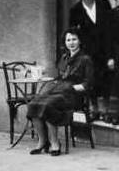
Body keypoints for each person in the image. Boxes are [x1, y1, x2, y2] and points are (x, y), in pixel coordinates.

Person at [26, 28, 95, 156]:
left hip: (73, 95)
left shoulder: (85, 59)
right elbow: (60, 76)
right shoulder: (64, 57)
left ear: (80, 41)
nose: (71, 42)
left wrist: (72, 88)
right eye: (68, 40)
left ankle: (55, 142)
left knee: (48, 105)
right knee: (33, 104)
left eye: (74, 39)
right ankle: (42, 141)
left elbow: (88, 84)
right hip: (58, 90)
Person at [67, 0, 113, 120]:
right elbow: (73, 33)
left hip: (105, 50)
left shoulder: (103, 3)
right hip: (88, 53)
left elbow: (111, 28)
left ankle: (105, 110)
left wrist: (111, 55)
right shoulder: (75, 10)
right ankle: (94, 109)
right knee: (90, 80)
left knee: (105, 80)